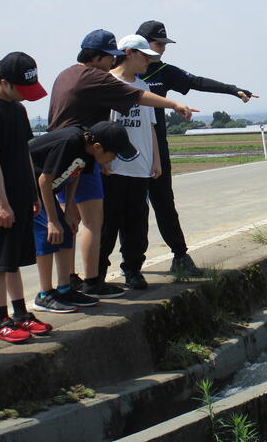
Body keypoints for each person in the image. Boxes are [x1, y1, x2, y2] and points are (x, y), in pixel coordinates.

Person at [47, 29, 197, 298]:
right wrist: (174, 104)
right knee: (95, 223)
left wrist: (154, 159)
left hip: (79, 156)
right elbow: (135, 98)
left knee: (90, 220)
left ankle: (75, 280)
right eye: (109, 56)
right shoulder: (98, 78)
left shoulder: (68, 74)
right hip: (95, 160)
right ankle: (91, 279)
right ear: (99, 57)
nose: (111, 61)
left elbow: (149, 124)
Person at [136, 20, 258, 275]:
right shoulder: (116, 72)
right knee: (131, 209)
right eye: (158, 44)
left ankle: (180, 256)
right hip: (127, 150)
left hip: (157, 146)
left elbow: (198, 82)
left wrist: (233, 90)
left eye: (164, 44)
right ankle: (128, 268)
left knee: (164, 203)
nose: (162, 49)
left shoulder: (163, 71)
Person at [0, 52, 52, 343]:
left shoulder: (17, 109)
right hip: (2, 202)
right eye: (21, 89)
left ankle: (20, 314)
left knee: (15, 260)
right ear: (5, 82)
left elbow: (25, 154)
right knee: (0, 262)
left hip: (22, 196)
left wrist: (33, 193)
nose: (24, 96)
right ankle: (0, 320)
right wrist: (2, 203)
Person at [29, 121, 139, 312]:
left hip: (44, 190)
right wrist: (52, 220)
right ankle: (44, 295)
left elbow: (75, 175)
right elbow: (44, 181)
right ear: (98, 147)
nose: (113, 159)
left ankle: (64, 289)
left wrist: (68, 210)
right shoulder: (70, 143)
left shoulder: (88, 152)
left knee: (65, 231)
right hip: (27, 188)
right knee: (48, 235)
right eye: (114, 154)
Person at [100, 35, 162, 290]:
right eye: (144, 56)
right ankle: (98, 273)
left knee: (136, 223)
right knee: (107, 223)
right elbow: (101, 126)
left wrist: (156, 159)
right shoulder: (106, 83)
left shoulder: (143, 86)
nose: (148, 61)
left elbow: (150, 126)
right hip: (113, 167)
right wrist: (102, 160)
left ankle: (133, 269)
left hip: (140, 167)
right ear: (129, 53)